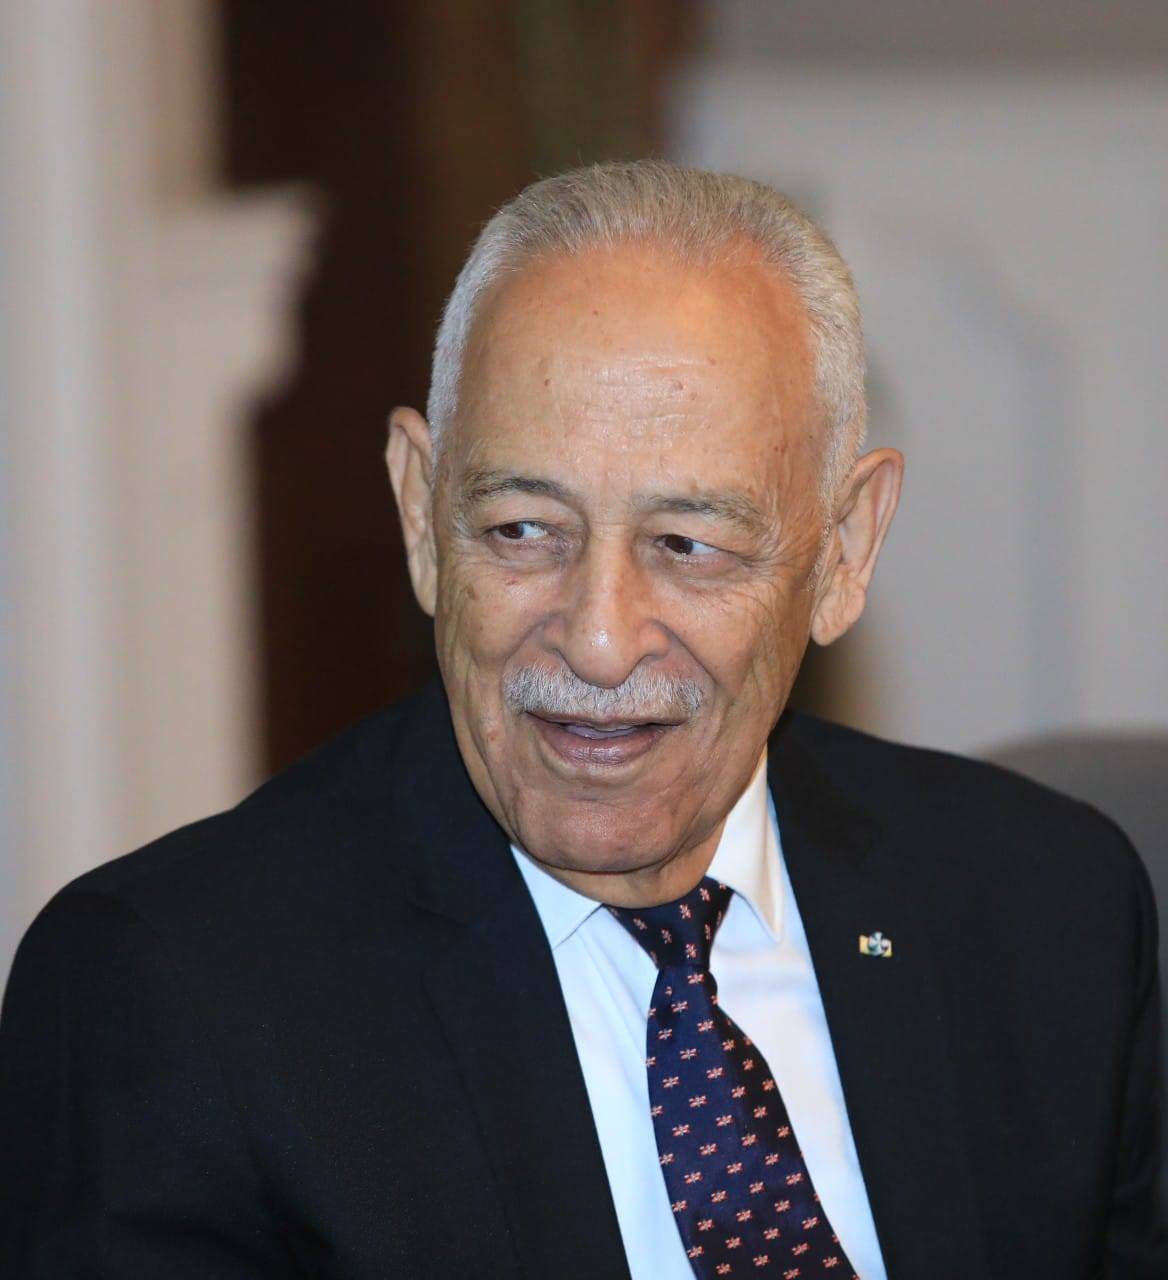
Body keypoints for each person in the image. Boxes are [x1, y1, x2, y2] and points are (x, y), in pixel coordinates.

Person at [0, 161, 1163, 1279]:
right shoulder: (173, 998)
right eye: (522, 529)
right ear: (419, 511)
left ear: (845, 548)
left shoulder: (1050, 911)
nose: (599, 638)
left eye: (688, 544)